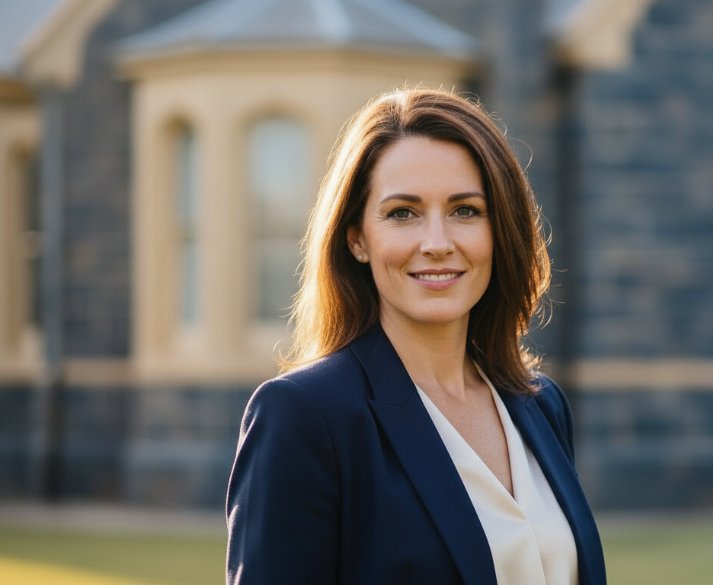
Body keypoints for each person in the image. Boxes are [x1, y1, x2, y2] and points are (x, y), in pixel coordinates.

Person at [225, 88, 606, 585]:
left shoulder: (539, 404)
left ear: (500, 230)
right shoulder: (304, 417)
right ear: (357, 239)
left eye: (465, 210)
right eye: (402, 213)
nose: (437, 243)